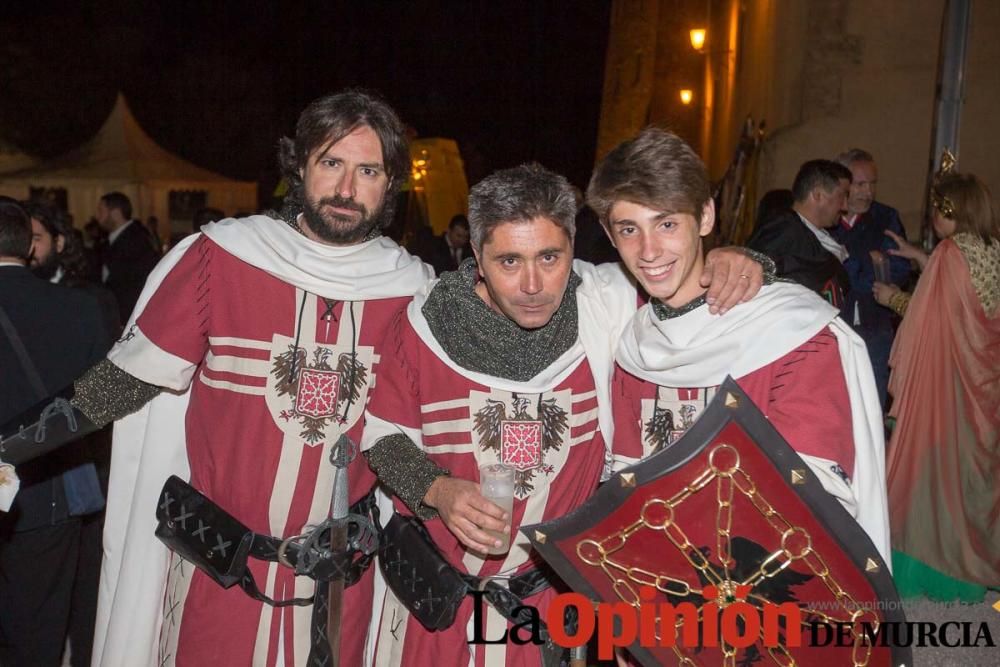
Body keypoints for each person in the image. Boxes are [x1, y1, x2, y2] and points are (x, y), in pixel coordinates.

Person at [3, 90, 434, 667]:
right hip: (219, 575)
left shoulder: (415, 291)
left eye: (369, 170)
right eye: (331, 163)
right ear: (299, 166)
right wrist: (7, 447)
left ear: (391, 185)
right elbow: (124, 382)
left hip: (340, 587)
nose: (347, 189)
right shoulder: (223, 258)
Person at [361, 163, 768, 666]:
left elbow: (681, 288)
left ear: (573, 251)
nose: (533, 284)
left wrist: (735, 258)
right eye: (509, 261)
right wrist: (438, 490)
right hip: (434, 607)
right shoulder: (425, 324)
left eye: (549, 257)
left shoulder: (606, 309)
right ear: (478, 259)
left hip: (543, 608)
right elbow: (382, 437)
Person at [587, 128, 890, 561]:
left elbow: (813, 505)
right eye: (629, 229)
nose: (649, 250)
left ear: (706, 217)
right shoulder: (631, 343)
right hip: (653, 583)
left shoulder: (794, 336)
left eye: (667, 223)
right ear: (609, 234)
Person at [877, 170, 1000, 602]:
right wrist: (919, 257)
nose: (931, 216)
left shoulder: (950, 252)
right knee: (969, 476)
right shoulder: (991, 249)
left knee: (931, 471)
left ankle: (927, 574)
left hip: (947, 383)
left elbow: (931, 320)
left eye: (936, 208)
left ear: (949, 210)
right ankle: (970, 574)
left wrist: (891, 296)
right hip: (984, 386)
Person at [0, 199, 112, 667]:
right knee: (39, 633)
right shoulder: (82, 307)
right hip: (46, 496)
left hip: (40, 497)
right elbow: (107, 404)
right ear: (29, 246)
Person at [830, 149, 911, 408]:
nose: (868, 192)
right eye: (860, 184)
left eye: (872, 184)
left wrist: (849, 263)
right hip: (831, 327)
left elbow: (897, 271)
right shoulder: (825, 220)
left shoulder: (885, 218)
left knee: (871, 406)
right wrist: (869, 267)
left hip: (875, 329)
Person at [747, 160, 853, 315]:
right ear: (818, 195)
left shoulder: (816, 234)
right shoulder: (783, 230)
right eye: (842, 197)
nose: (845, 206)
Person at [96, 192, 160, 323]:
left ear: (115, 213)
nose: (98, 216)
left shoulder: (134, 240)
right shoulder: (117, 239)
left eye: (101, 211)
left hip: (128, 317)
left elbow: (127, 285)